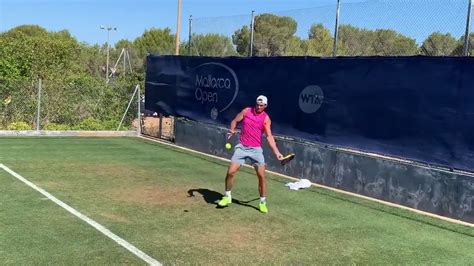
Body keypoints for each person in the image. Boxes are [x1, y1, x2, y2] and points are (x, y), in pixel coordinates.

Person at [218, 95, 283, 213]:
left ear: (265, 106)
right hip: (242, 147)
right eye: (257, 104)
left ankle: (262, 202)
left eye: (261, 105)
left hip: (256, 150)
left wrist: (277, 152)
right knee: (230, 172)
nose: (258, 107)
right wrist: (232, 130)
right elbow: (235, 120)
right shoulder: (246, 111)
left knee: (261, 176)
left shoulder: (266, 119)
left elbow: (269, 136)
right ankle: (227, 196)